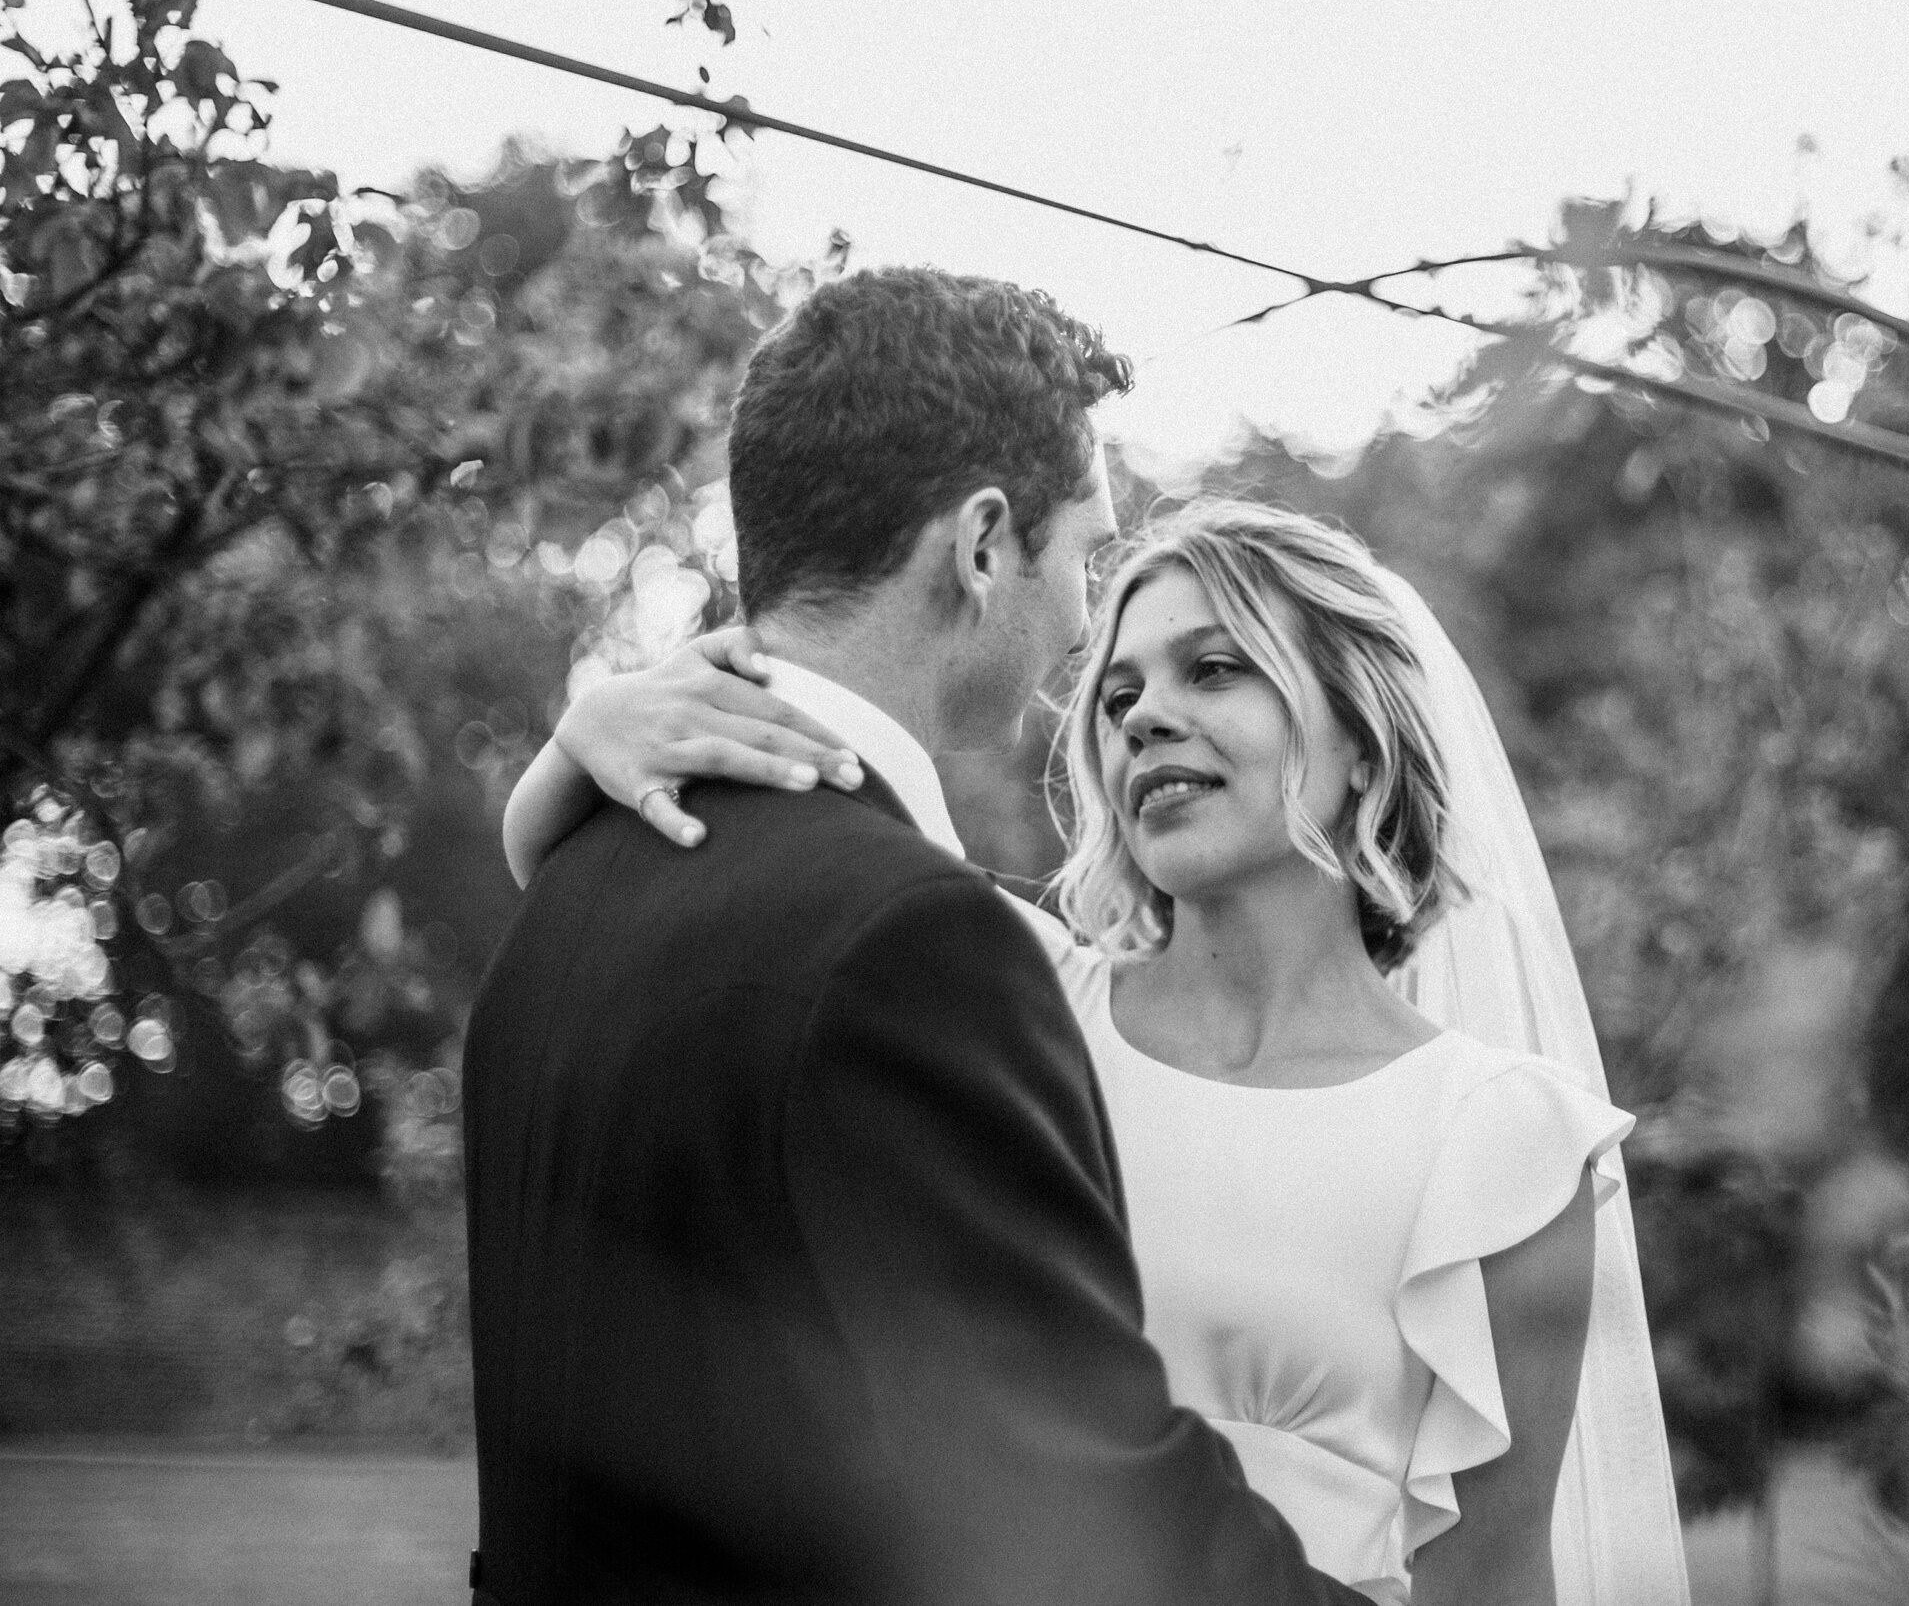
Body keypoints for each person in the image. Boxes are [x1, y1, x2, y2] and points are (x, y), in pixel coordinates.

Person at [511, 496, 1694, 1603]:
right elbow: (707, 881)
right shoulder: (996, 988)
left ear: (1365, 746)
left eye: (1215, 668)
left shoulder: (1505, 1144)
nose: (1143, 714)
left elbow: (1491, 1584)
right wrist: (584, 732)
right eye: (1118, 691)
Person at [463, 266, 1376, 1606]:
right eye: (1082, 554)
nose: (1080, 621)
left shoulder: (566, 896)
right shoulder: (910, 944)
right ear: (985, 541)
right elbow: (1091, 1513)